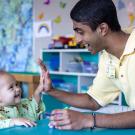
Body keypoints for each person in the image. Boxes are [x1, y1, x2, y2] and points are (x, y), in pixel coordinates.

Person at [38, 0, 135, 130]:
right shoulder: (107, 57)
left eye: (80, 32)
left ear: (102, 29)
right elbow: (93, 100)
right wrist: (51, 91)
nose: (77, 39)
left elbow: (90, 115)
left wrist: (88, 120)